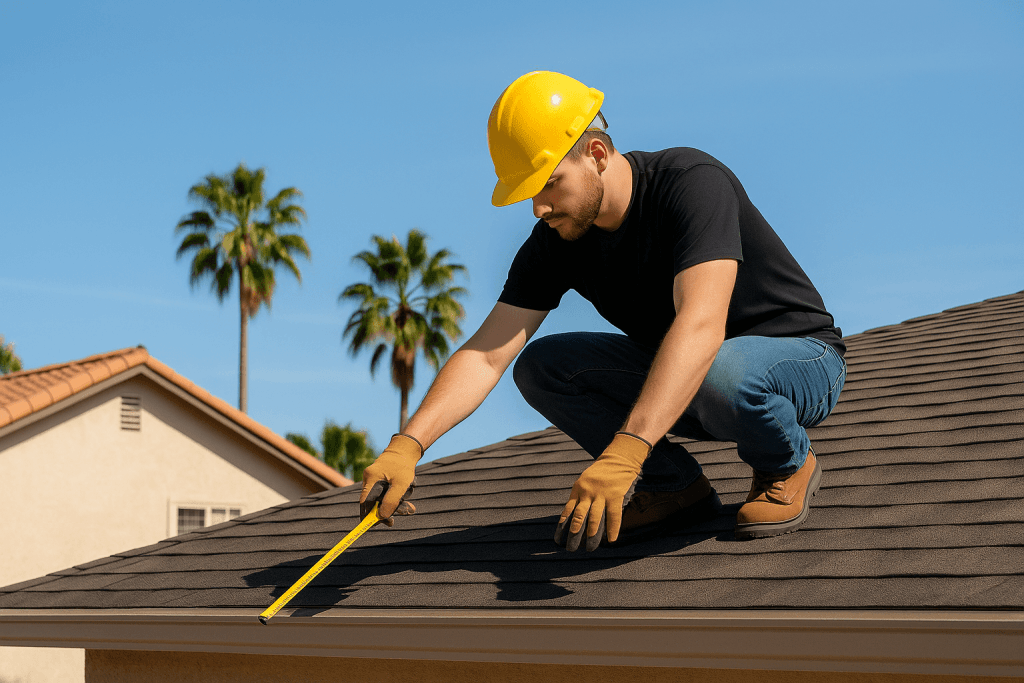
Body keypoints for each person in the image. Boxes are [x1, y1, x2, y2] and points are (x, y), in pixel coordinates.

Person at [360, 71, 847, 552]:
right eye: (528, 193)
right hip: (691, 380)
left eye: (548, 185)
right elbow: (486, 356)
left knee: (722, 370)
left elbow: (700, 325)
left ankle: (786, 463)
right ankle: (673, 486)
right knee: (543, 367)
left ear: (596, 154)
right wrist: (409, 444)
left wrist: (626, 451)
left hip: (797, 360)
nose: (538, 209)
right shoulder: (557, 240)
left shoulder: (691, 183)